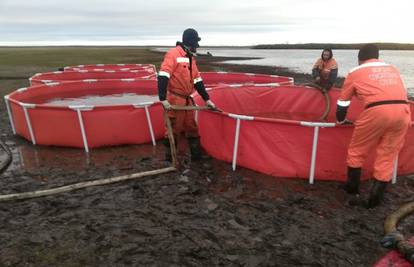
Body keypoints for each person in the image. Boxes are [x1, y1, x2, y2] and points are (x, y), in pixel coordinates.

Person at [336, 44, 411, 208]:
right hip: (403, 111)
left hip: (376, 111)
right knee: (387, 155)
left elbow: (343, 101)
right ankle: (374, 200)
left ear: (359, 58)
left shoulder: (355, 72)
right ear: (377, 56)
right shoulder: (392, 69)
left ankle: (352, 188)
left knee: (357, 150)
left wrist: (341, 120)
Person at [158, 28, 216, 162]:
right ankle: (170, 159)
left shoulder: (190, 59)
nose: (197, 47)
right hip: (175, 100)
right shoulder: (173, 54)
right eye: (196, 43)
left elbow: (197, 80)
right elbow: (163, 75)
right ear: (190, 43)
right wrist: (163, 98)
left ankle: (196, 156)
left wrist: (207, 99)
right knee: (173, 128)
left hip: (187, 100)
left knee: (192, 127)